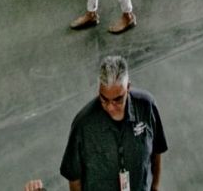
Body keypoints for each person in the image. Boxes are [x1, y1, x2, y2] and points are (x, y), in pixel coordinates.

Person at [54, 55, 167, 190]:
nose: (110, 107)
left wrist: (155, 188)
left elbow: (157, 151)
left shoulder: (146, 106)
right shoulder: (83, 125)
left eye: (118, 100)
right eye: (104, 99)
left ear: (128, 87)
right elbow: (74, 178)